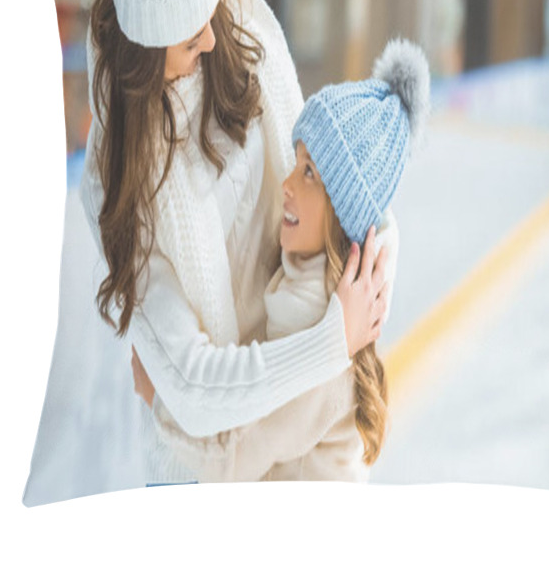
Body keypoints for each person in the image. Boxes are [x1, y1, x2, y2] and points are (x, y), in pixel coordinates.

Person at [80, 0, 398, 484]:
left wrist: (373, 280)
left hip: (296, 432)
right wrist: (332, 343)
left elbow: (341, 180)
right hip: (201, 465)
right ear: (142, 49)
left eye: (209, 14)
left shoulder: (241, 24)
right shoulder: (116, 176)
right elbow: (194, 390)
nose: (207, 36)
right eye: (186, 34)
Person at [132, 39, 430, 482]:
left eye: (309, 173)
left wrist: (160, 393)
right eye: (297, 162)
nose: (287, 184)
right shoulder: (313, 281)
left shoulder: (321, 318)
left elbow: (237, 454)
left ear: (344, 211)